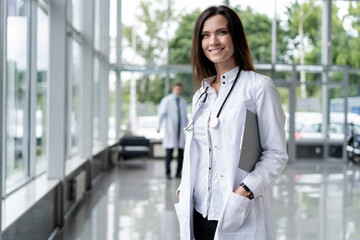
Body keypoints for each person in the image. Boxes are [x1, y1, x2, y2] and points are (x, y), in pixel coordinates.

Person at [174, 5, 288, 240]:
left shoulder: (259, 87)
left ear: (235, 36)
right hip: (196, 213)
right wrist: (183, 188)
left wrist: (245, 191)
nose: (213, 41)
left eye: (221, 32)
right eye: (205, 35)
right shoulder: (201, 95)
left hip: (237, 211)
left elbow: (276, 153)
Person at [157, 83, 188, 179]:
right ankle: (167, 173)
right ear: (173, 90)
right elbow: (161, 114)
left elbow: (185, 117)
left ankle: (178, 173)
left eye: (181, 89)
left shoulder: (183, 101)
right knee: (169, 154)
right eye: (178, 89)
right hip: (170, 130)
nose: (179, 91)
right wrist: (158, 126)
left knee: (181, 155)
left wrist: (188, 127)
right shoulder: (166, 100)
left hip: (180, 131)